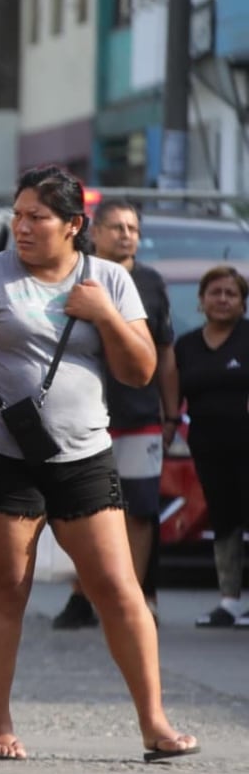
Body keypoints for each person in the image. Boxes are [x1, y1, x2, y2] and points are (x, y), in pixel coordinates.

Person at [0, 165, 198, 762]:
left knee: (118, 588)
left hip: (83, 455)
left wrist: (103, 314)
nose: (22, 227)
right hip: (3, 452)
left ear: (74, 225)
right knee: (6, 589)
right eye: (19, 214)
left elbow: (140, 371)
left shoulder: (107, 279)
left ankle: (154, 722)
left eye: (37, 217)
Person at [52, 198, 179, 629]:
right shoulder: (76, 277)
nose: (127, 235)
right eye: (117, 227)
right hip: (85, 415)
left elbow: (164, 352)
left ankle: (135, 598)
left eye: (133, 228)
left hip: (139, 414)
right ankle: (81, 595)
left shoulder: (152, 283)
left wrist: (169, 411)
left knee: (140, 509)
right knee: (80, 510)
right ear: (96, 232)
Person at [173, 266, 249, 628]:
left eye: (231, 294)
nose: (222, 299)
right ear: (201, 301)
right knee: (224, 520)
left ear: (242, 302)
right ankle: (230, 601)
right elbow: (173, 397)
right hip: (207, 446)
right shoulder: (186, 345)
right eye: (215, 292)